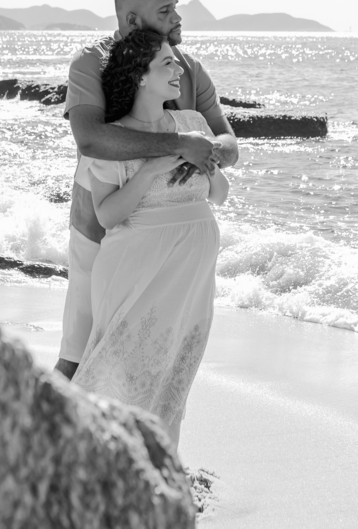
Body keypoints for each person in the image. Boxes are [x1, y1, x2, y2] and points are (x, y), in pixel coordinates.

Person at [56, 0, 239, 380]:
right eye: (166, 11)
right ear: (133, 21)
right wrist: (178, 146)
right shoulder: (90, 62)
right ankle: (39, 435)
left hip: (171, 243)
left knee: (159, 358)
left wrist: (205, 154)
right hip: (100, 226)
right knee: (82, 352)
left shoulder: (189, 68)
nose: (177, 17)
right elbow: (91, 139)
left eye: (175, 7)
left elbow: (227, 143)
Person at [71, 28, 228, 447]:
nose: (179, 68)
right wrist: (152, 168)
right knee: (119, 371)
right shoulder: (113, 138)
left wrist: (204, 164)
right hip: (135, 271)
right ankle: (89, 460)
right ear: (141, 76)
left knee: (176, 371)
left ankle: (160, 469)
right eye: (167, 63)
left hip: (192, 276)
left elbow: (221, 194)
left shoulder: (192, 125)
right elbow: (107, 215)